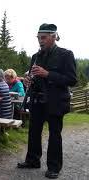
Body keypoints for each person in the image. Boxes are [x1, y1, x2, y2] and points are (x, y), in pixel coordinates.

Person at [17, 23, 77, 179]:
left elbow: (72, 80)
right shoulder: (36, 57)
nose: (40, 41)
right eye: (38, 38)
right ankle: (32, 160)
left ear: (54, 36)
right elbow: (34, 78)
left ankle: (54, 167)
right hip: (37, 100)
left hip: (56, 101)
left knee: (54, 134)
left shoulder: (66, 55)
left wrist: (47, 74)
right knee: (33, 132)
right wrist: (28, 81)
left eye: (43, 38)